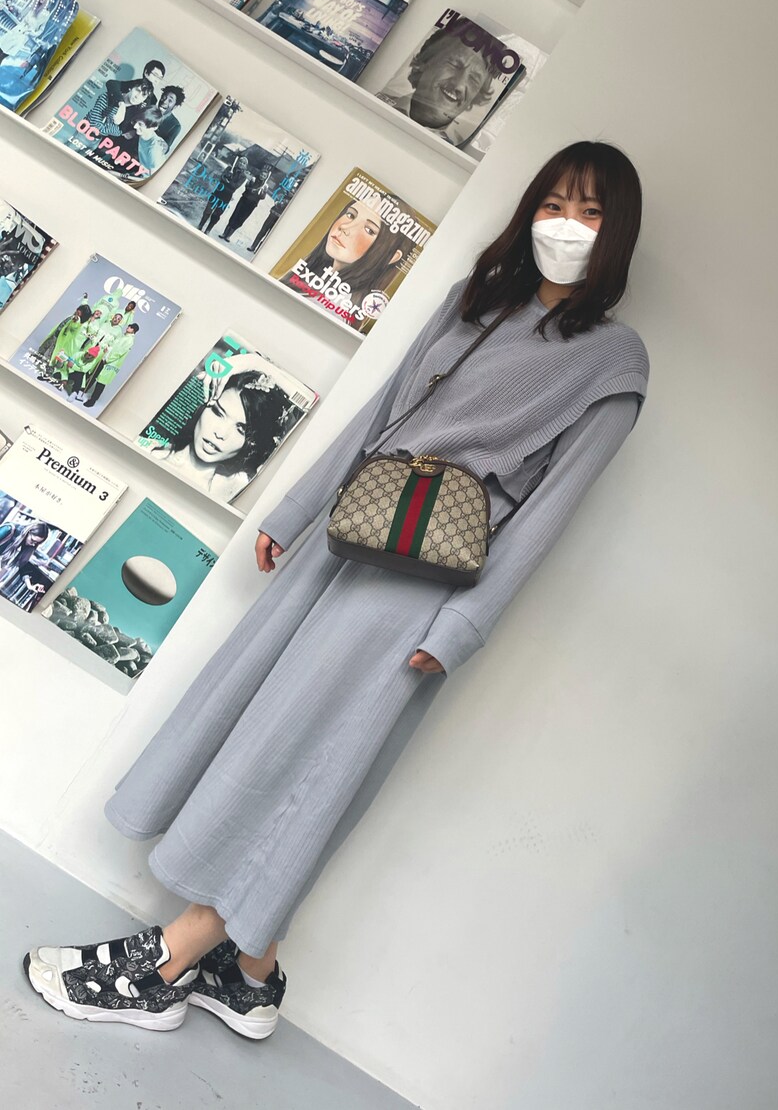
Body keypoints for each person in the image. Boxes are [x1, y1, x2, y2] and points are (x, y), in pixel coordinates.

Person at [23, 141, 650, 1042]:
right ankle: (250, 978)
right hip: (346, 535)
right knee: (268, 729)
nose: (568, 225)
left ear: (618, 232)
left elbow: (550, 512)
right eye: (554, 203)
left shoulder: (613, 361)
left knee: (307, 759)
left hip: (424, 584)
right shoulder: (477, 300)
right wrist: (296, 509)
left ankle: (165, 966)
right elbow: (381, 412)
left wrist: (463, 626)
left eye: (591, 212)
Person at [144, 365, 299, 503]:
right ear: (203, 406)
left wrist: (251, 360)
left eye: (241, 429)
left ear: (252, 442)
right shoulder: (147, 448)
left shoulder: (237, 488)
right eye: (218, 413)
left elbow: (303, 401)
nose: (220, 433)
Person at [278, 196, 404, 324]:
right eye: (350, 215)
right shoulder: (311, 275)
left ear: (391, 256)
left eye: (369, 230)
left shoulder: (338, 309)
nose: (345, 227)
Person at [377, 24, 505, 144]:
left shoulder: (459, 148)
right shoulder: (377, 102)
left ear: (477, 95)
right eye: (454, 64)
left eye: (474, 79)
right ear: (426, 61)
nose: (459, 85)